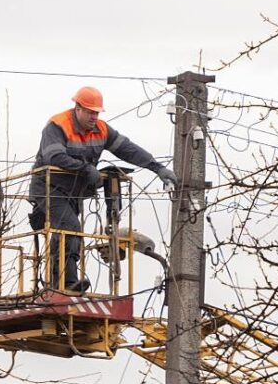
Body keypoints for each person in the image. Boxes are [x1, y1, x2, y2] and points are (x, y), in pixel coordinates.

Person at [29, 86, 176, 292]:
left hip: (73, 191)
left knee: (68, 232)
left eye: (97, 112)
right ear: (77, 108)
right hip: (48, 188)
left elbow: (128, 149)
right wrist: (85, 169)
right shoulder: (57, 125)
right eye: (90, 112)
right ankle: (65, 283)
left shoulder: (101, 129)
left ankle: (62, 282)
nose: (94, 117)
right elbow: (53, 157)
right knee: (70, 228)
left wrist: (157, 167)